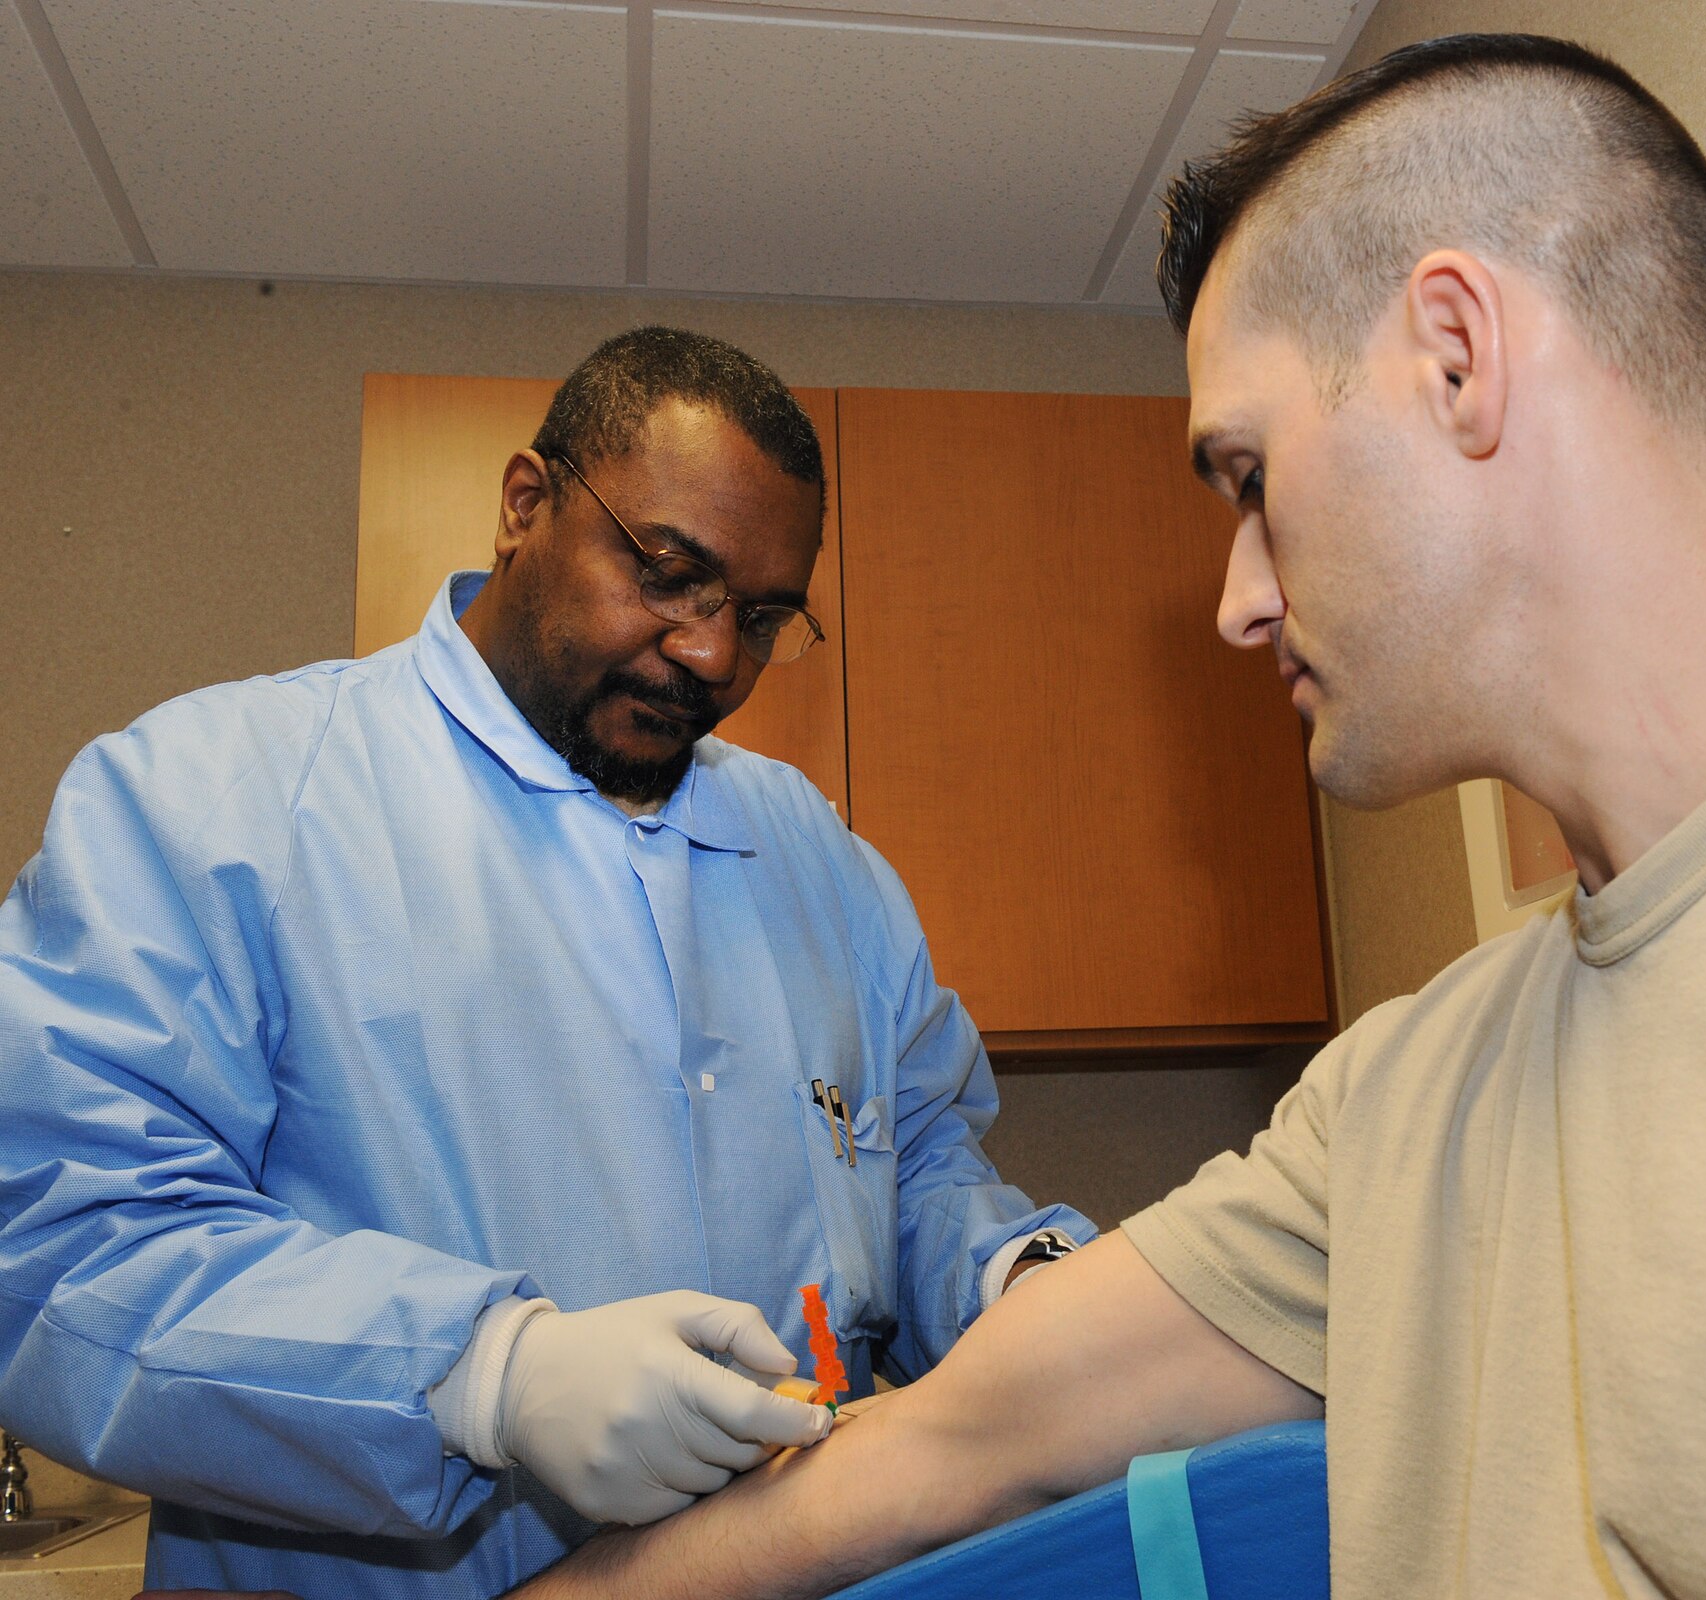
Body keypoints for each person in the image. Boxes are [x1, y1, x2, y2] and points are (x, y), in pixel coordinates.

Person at [501, 34, 1706, 1600]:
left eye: (1247, 473)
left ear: (1457, 356)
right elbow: (936, 1454)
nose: (1236, 601)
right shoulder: (1410, 1096)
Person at [0, 327, 1091, 1598]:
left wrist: (1022, 1276)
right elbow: (60, 1241)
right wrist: (481, 1377)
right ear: (526, 505)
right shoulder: (215, 802)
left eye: (758, 617)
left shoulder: (818, 857)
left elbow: (916, 1159)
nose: (709, 655)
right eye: (671, 574)